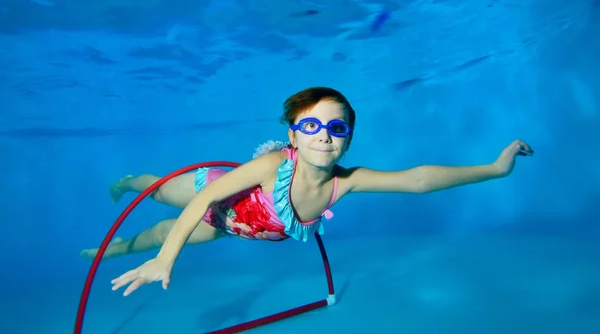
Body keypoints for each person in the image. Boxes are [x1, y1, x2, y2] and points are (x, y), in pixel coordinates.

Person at [92, 87, 533, 296]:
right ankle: (126, 182)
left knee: (155, 236)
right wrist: (170, 260)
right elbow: (206, 201)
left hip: (230, 228)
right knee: (158, 192)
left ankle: (113, 251)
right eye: (311, 126)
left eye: (336, 128)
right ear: (294, 135)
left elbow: (418, 180)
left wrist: (495, 170)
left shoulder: (347, 182)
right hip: (214, 193)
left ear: (349, 137)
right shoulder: (272, 165)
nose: (324, 136)